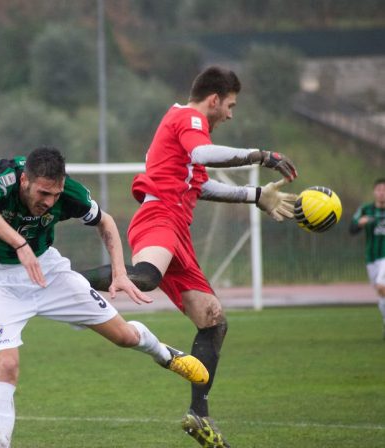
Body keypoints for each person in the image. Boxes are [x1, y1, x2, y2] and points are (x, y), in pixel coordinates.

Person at [79, 66, 298, 448]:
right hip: (158, 216)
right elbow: (203, 154)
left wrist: (256, 196)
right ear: (214, 99)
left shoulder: (189, 130)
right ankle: (58, 281)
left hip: (179, 230)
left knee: (213, 320)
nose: (231, 114)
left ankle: (199, 415)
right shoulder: (188, 117)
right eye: (230, 105)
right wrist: (261, 156)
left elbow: (201, 184)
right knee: (143, 278)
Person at [0, 147, 209, 448]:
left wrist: (118, 271)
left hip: (48, 272)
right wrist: (19, 243)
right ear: (25, 180)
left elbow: (106, 223)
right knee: (7, 364)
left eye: (56, 194)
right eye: (43, 193)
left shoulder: (70, 194)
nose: (50, 202)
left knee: (125, 337)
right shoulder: (5, 177)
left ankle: (165, 354)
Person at [350, 178, 385, 339]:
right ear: (374, 192)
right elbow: (352, 229)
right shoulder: (366, 209)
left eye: (384, 190)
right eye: (379, 189)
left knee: (382, 286)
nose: (382, 193)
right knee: (381, 293)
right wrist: (360, 224)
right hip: (371, 257)